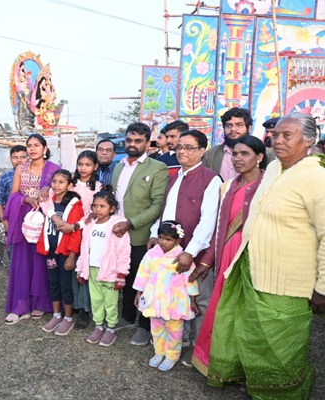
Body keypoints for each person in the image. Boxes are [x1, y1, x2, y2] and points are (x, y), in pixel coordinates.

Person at [207, 113, 325, 399]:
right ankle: (256, 384)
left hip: (289, 282)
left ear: (309, 140)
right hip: (254, 270)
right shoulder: (273, 168)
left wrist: (322, 287)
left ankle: (284, 393)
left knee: (280, 345)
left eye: (287, 135)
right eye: (276, 135)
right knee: (252, 335)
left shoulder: (317, 177)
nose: (278, 140)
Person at [191, 135, 266, 376]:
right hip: (226, 255)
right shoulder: (227, 186)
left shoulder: (269, 186)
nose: (238, 159)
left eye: (245, 154)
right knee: (225, 309)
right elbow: (218, 227)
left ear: (259, 157)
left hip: (254, 257)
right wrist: (207, 261)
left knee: (249, 313)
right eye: (235, 154)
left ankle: (248, 368)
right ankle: (221, 361)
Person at [149, 129, 221, 366]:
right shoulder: (175, 177)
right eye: (180, 147)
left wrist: (190, 251)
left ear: (202, 151)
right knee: (177, 298)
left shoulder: (211, 179)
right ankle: (182, 341)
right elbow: (165, 212)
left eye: (189, 147)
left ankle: (200, 349)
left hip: (196, 253)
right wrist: (154, 234)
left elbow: (208, 220)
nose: (182, 151)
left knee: (199, 299)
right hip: (170, 251)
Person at [110, 122, 169, 346]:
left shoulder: (157, 168)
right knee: (124, 277)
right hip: (118, 235)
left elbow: (157, 205)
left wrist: (131, 223)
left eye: (138, 141)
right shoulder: (119, 166)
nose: (132, 144)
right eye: (129, 140)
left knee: (143, 281)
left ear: (147, 143)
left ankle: (144, 326)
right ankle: (127, 317)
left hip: (141, 235)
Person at [3, 133, 60, 324]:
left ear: (45, 148)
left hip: (45, 219)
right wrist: (26, 199)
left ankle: (40, 303)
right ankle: (20, 305)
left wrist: (48, 188)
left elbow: (62, 192)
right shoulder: (21, 168)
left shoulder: (54, 169)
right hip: (24, 218)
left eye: (37, 145)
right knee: (22, 262)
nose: (32, 148)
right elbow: (13, 195)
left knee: (41, 262)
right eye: (29, 145)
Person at [133, 220, 200, 371]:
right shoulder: (151, 254)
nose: (163, 242)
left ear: (178, 241)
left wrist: (193, 300)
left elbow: (190, 280)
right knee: (156, 329)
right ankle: (159, 352)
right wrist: (139, 292)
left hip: (174, 302)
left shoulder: (183, 258)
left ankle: (171, 356)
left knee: (174, 332)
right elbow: (143, 273)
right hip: (154, 300)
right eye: (161, 238)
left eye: (168, 239)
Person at [76, 191, 131, 347]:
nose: (98, 209)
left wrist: (121, 273)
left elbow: (123, 250)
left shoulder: (117, 226)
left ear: (112, 208)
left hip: (110, 271)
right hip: (92, 269)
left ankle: (111, 328)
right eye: (95, 206)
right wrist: (81, 269)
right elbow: (84, 248)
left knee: (110, 302)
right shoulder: (90, 225)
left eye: (102, 206)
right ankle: (99, 326)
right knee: (96, 299)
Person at [36, 169, 83, 336]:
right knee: (53, 282)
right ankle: (57, 315)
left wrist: (72, 255)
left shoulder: (74, 204)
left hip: (64, 252)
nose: (56, 185)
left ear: (69, 185)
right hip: (50, 251)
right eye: (54, 181)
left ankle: (68, 317)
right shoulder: (48, 201)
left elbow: (76, 233)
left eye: (61, 182)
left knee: (65, 285)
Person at [65, 150, 102, 329]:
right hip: (69, 232)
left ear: (95, 166)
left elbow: (96, 212)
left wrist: (80, 224)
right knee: (71, 270)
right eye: (80, 164)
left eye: (88, 165)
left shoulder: (98, 187)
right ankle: (73, 305)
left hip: (88, 233)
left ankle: (85, 310)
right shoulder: (70, 185)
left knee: (85, 271)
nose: (83, 168)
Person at [204, 107, 275, 180]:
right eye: (229, 125)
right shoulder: (211, 154)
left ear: (249, 128)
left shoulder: (266, 153)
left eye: (239, 125)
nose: (233, 129)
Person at [0, 145, 28, 230]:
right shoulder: (4, 178)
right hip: (14, 220)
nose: (19, 160)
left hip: (33, 220)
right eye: (15, 157)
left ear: (29, 157)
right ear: (10, 159)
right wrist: (6, 224)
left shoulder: (36, 175)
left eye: (23, 157)